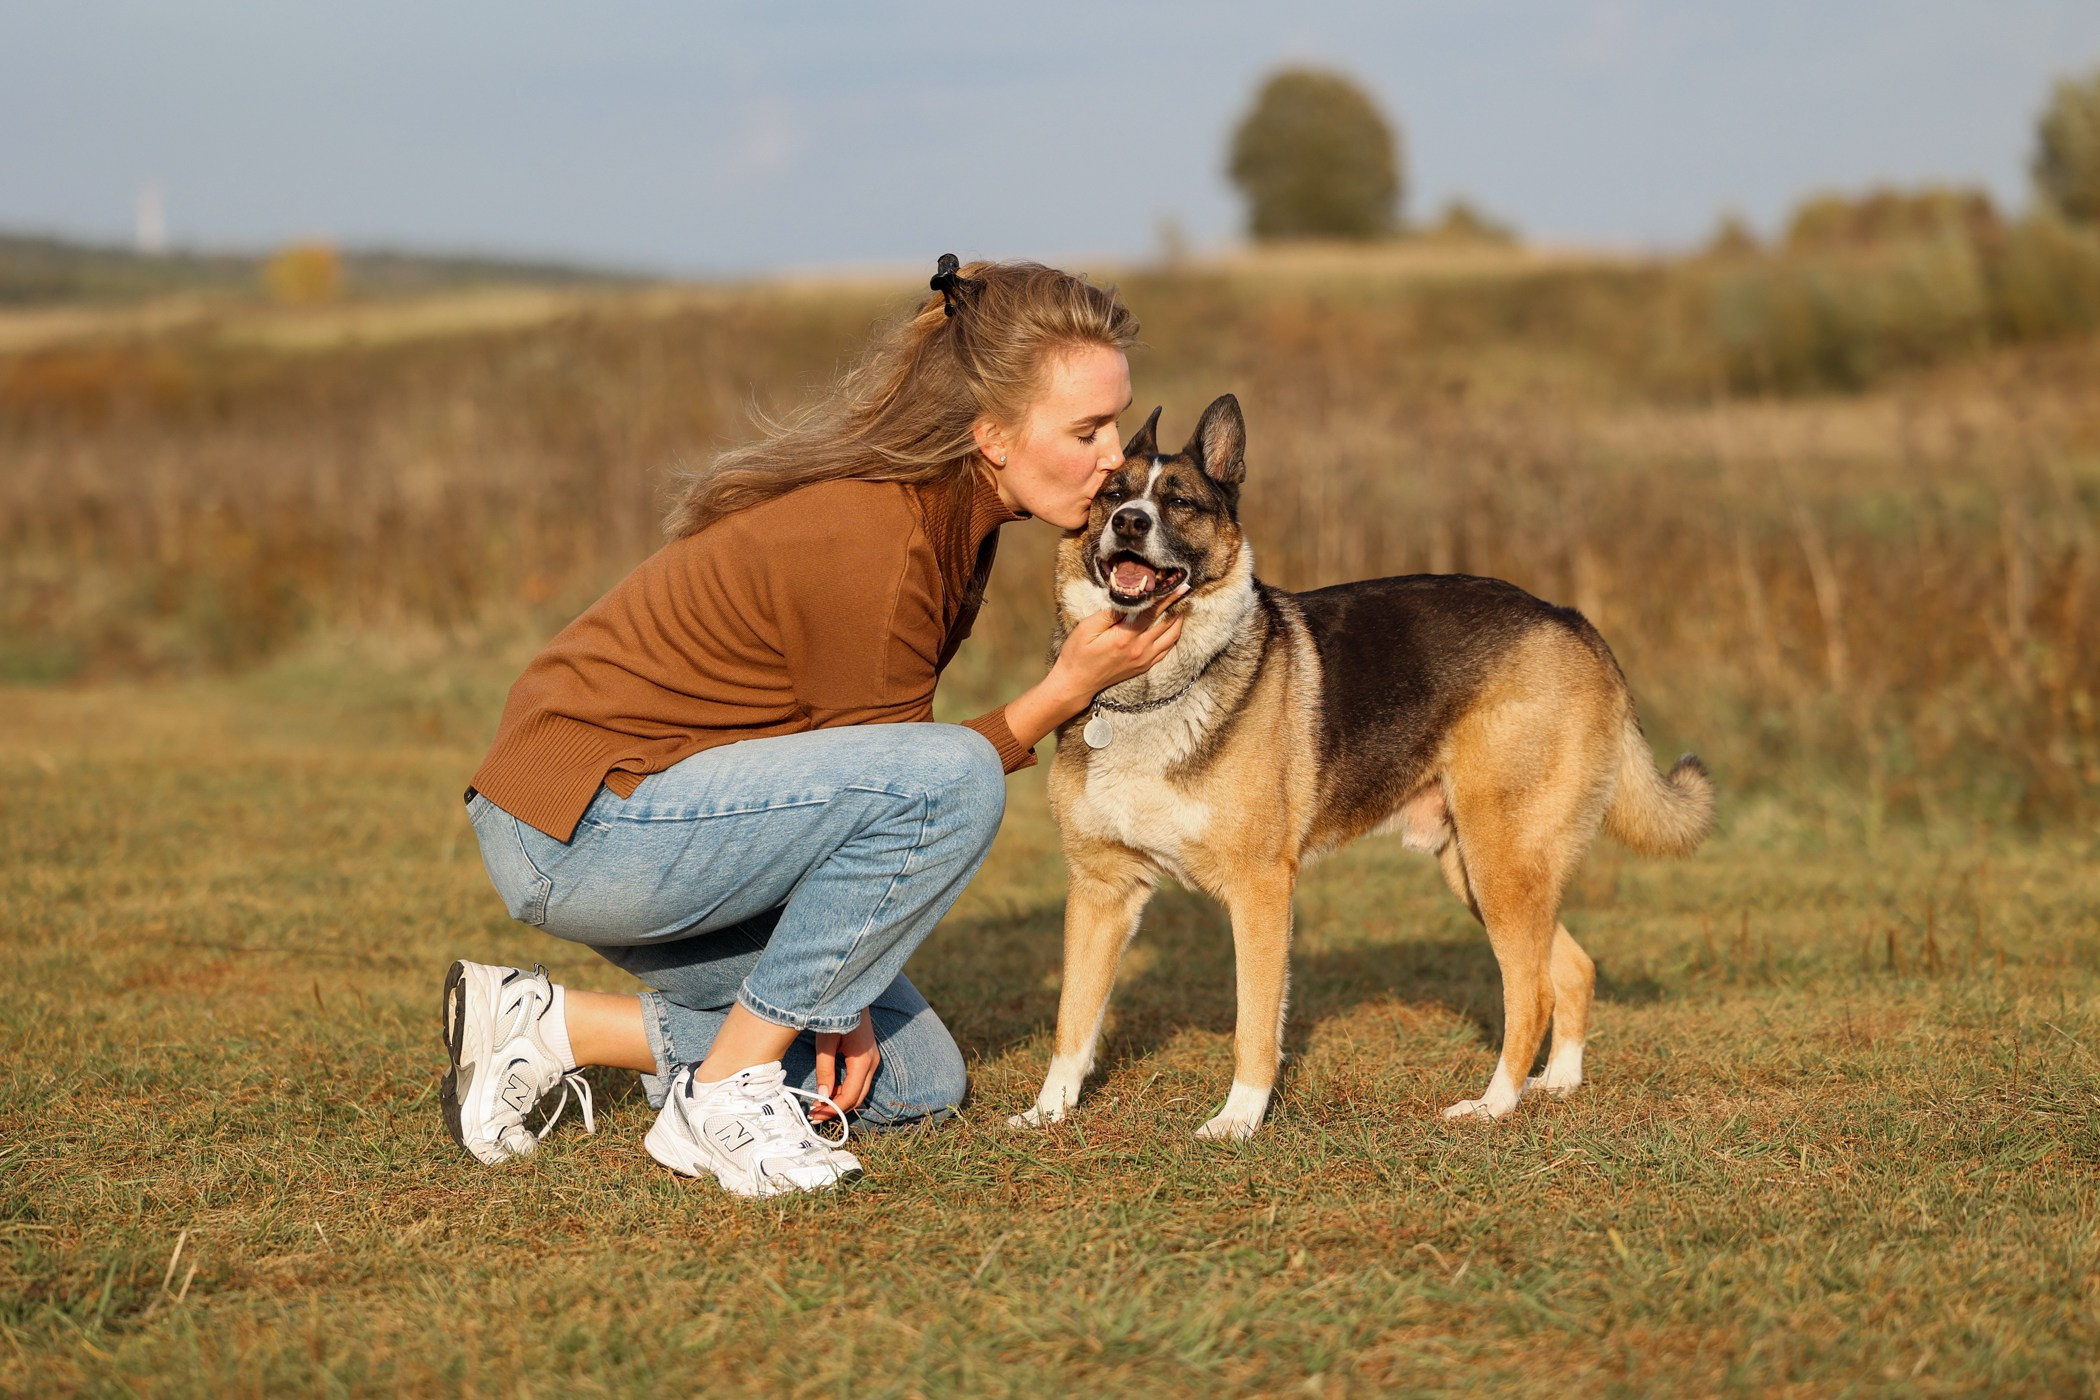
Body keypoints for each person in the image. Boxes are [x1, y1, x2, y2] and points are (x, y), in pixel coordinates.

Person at [442, 257, 1186, 1198]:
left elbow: (866, 770)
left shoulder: (957, 514)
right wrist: (1063, 689)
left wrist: (838, 989)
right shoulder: (879, 538)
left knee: (915, 1083)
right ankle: (723, 1095)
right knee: (950, 777)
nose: (1115, 454)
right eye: (1087, 429)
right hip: (581, 824)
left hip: (686, 815)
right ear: (992, 435)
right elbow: (916, 784)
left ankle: (544, 1026)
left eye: (1114, 422)